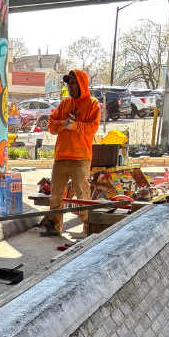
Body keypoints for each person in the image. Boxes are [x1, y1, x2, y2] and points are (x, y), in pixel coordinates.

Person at [42, 69, 100, 236]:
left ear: (82, 84)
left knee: (83, 195)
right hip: (61, 157)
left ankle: (89, 228)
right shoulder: (64, 104)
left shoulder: (92, 103)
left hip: (80, 158)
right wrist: (62, 125)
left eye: (73, 83)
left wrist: (74, 126)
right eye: (68, 83)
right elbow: (51, 125)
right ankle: (54, 226)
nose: (70, 86)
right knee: (56, 196)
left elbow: (92, 128)